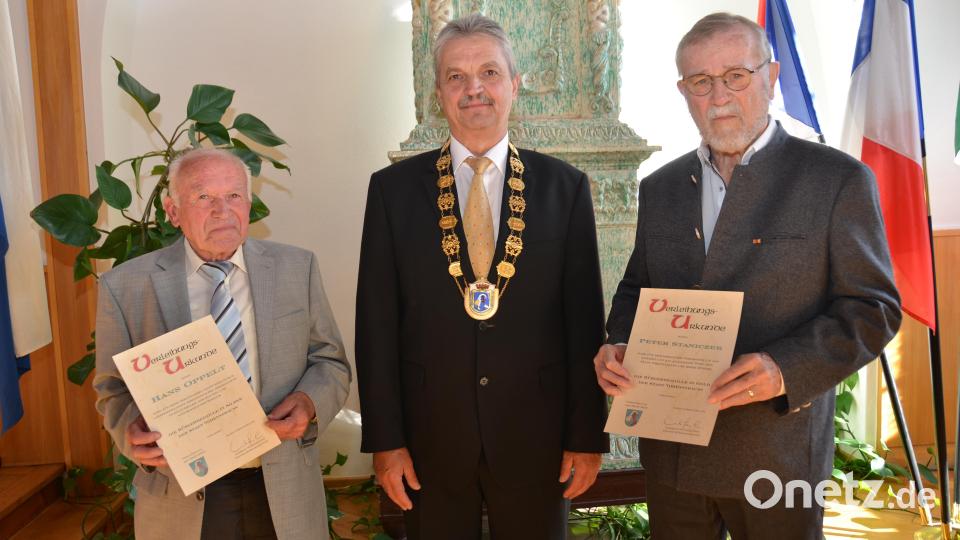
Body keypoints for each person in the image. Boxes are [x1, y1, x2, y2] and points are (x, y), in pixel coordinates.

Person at [594, 12, 901, 539]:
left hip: (778, 455)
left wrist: (784, 368)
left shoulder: (837, 180)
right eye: (701, 82)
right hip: (673, 454)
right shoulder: (661, 188)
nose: (719, 96)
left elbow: (873, 309)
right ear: (683, 91)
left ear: (770, 76)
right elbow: (635, 289)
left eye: (736, 75)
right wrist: (618, 342)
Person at [356, 13, 608, 539]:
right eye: (456, 76)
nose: (474, 89)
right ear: (438, 94)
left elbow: (584, 321)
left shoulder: (566, 189)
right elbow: (376, 326)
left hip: (537, 438)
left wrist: (587, 437)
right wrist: (387, 440)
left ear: (514, 86)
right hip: (429, 440)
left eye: (489, 73)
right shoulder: (392, 192)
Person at [93, 148, 351, 540]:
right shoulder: (125, 286)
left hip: (282, 484)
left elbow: (330, 361)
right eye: (203, 197)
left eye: (234, 196)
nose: (222, 210)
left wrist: (310, 403)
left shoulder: (297, 269)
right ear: (173, 211)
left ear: (248, 205)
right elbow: (112, 388)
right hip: (181, 491)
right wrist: (130, 431)